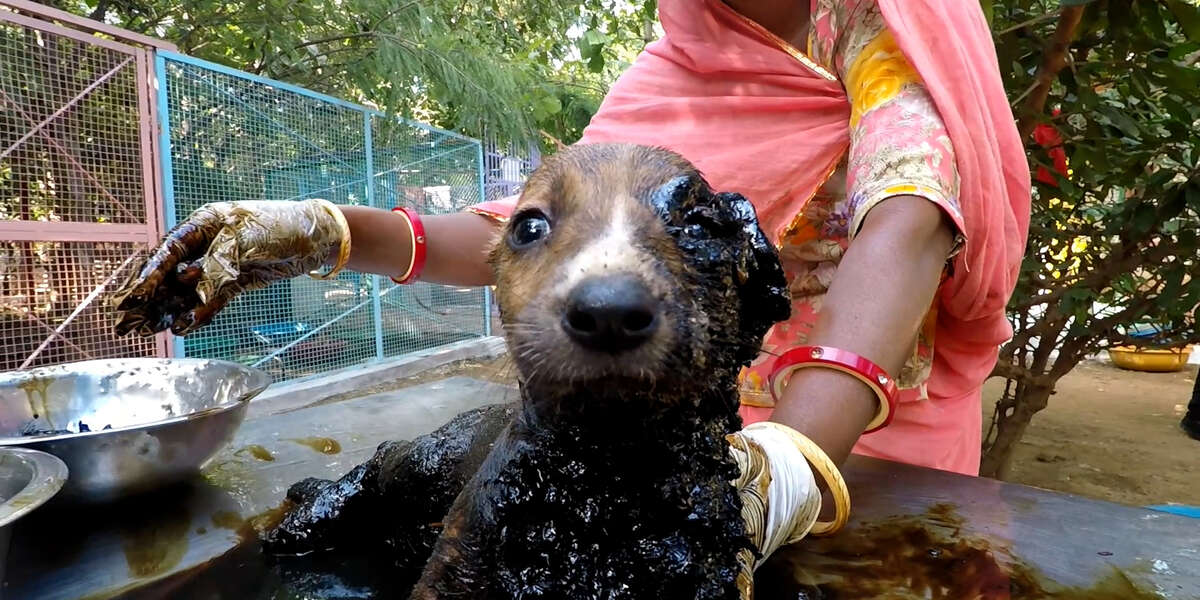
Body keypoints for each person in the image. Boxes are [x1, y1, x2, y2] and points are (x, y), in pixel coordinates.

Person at [116, 0, 1029, 479]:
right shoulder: (674, 62)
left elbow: (908, 214)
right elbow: (541, 243)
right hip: (688, 416)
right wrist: (329, 232)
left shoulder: (894, 26)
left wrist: (790, 468)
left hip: (861, 433)